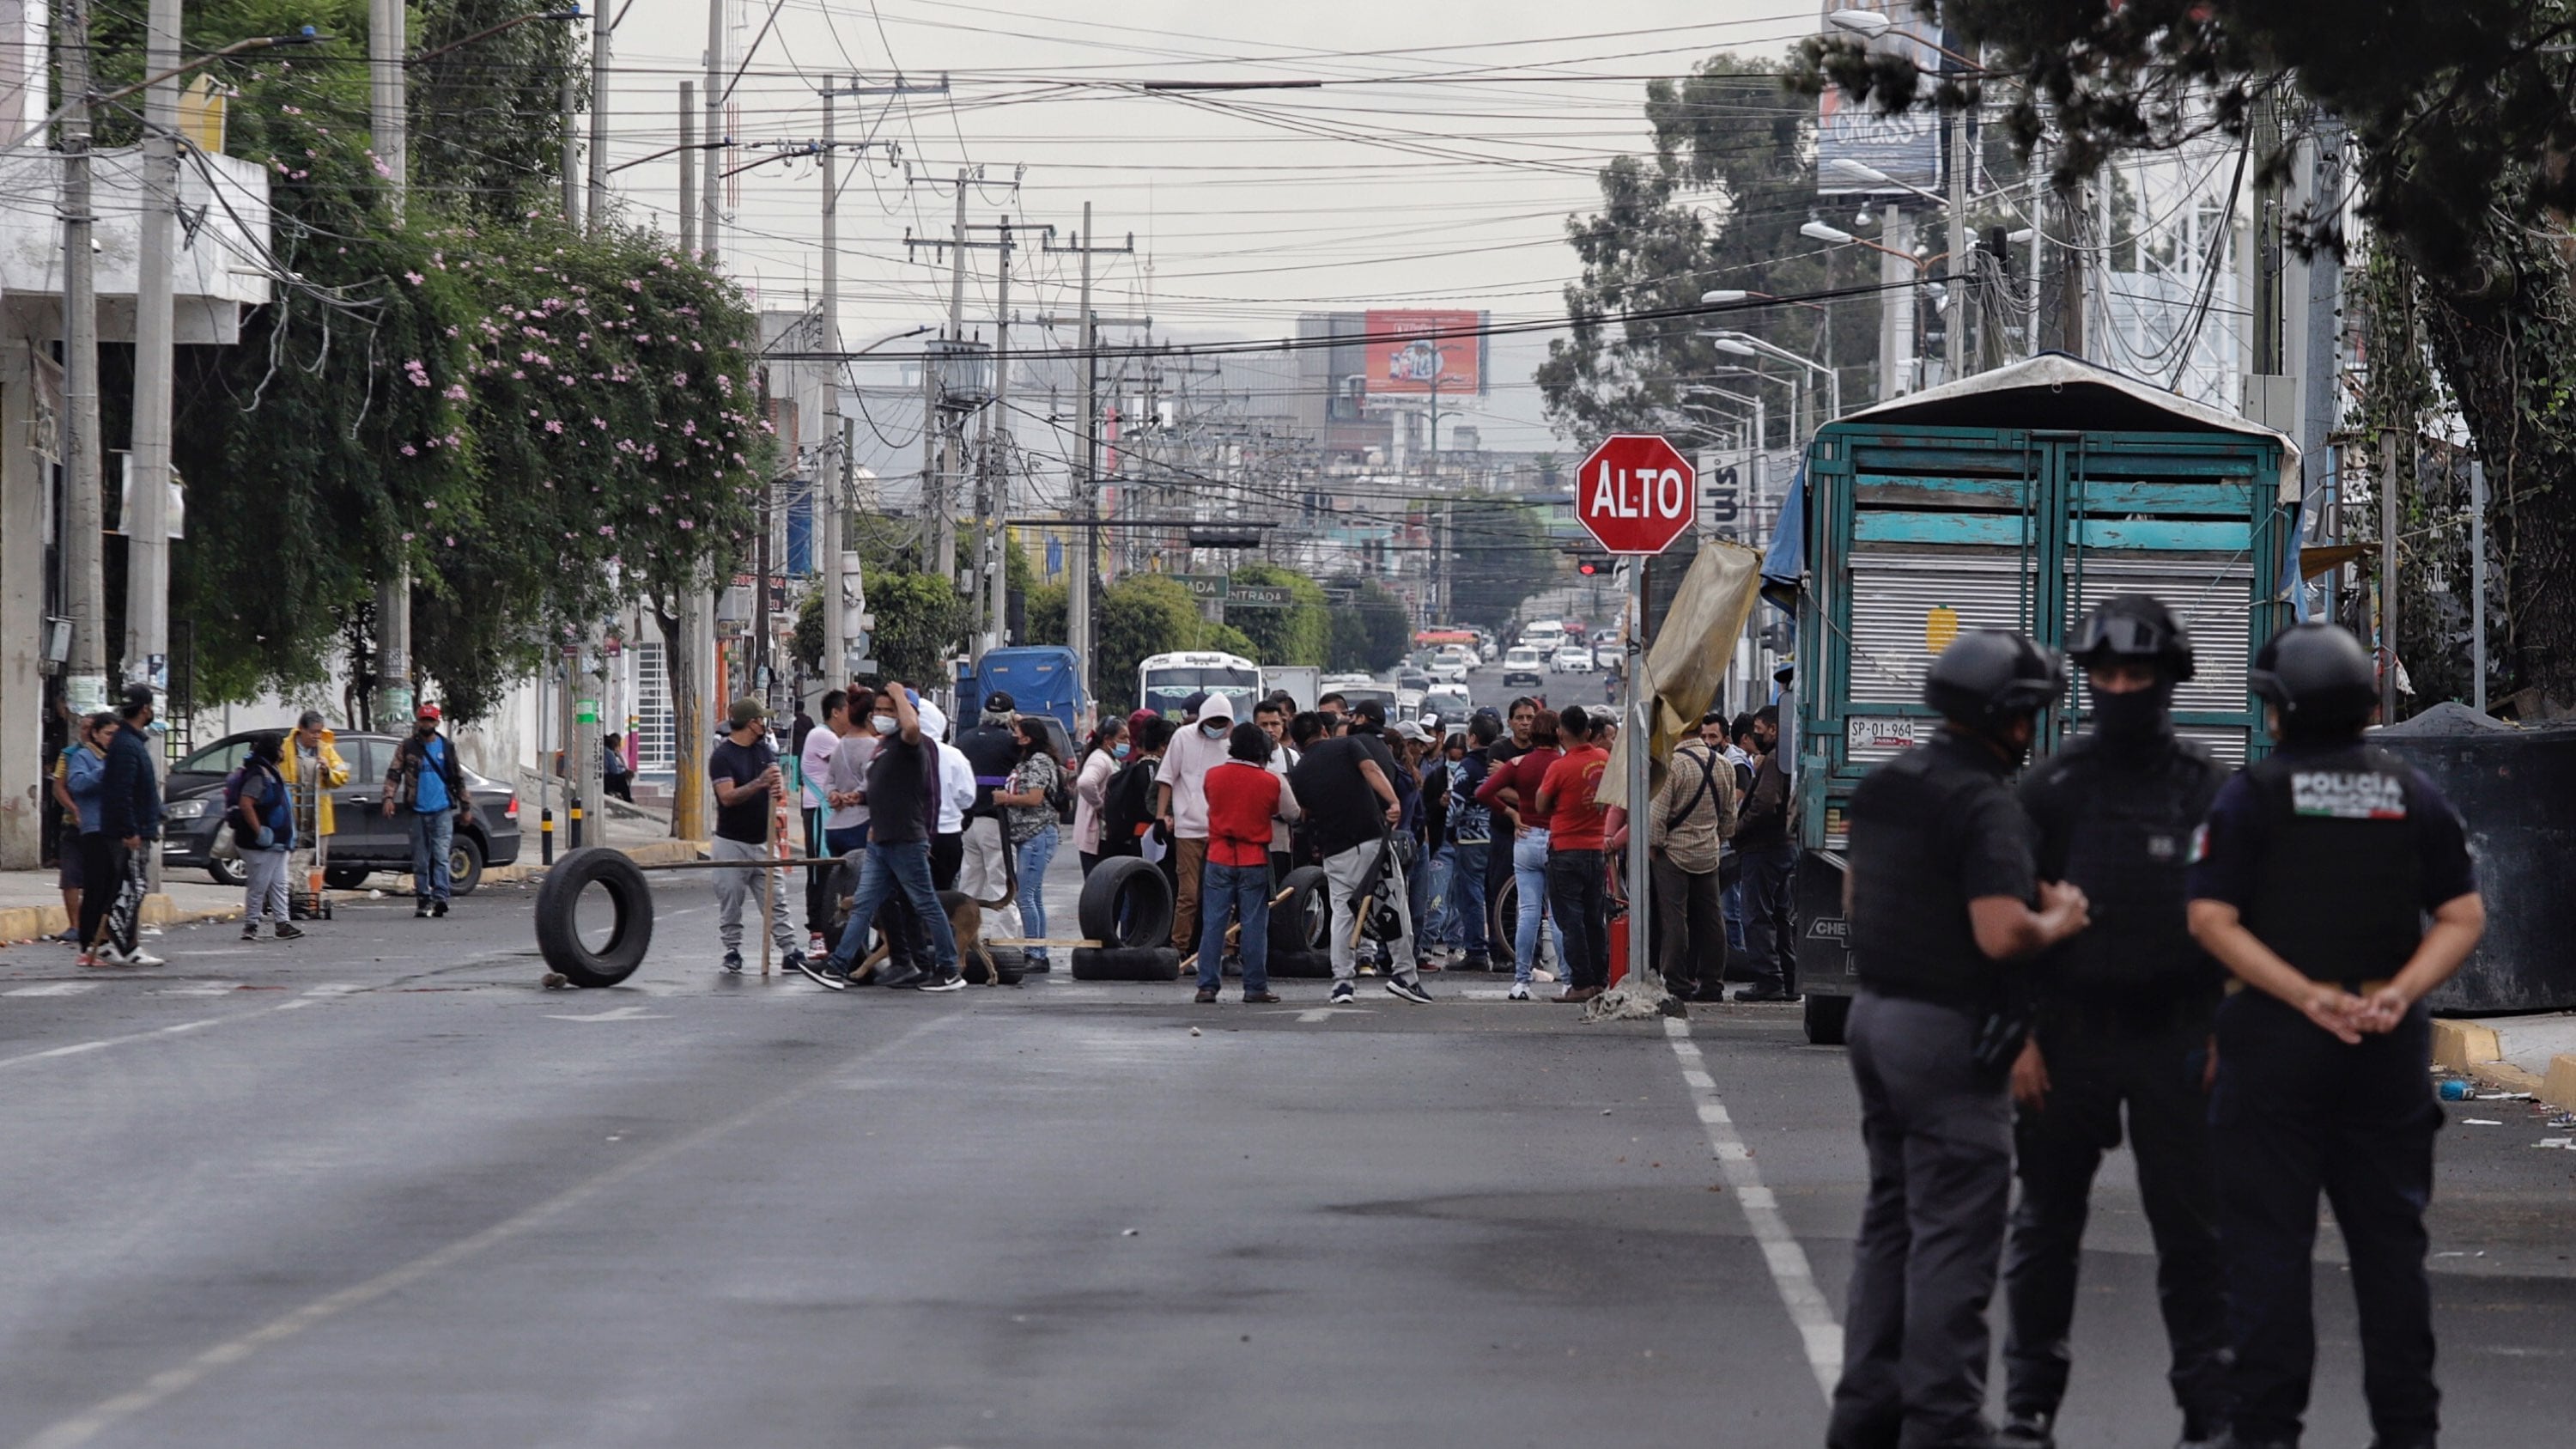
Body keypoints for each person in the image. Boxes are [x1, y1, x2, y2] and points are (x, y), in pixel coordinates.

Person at [2187, 623, 2483, 1449]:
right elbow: (2462, 914)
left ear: (2277, 710)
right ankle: (2407, 1433)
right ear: (2366, 706)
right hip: (2384, 1053)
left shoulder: (2250, 795)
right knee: (2392, 1258)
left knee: (2268, 1257)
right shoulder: (2411, 793)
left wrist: (2305, 996)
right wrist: (2395, 995)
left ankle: (2267, 1433)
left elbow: (2210, 917)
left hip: (2274, 1047)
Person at [1827, 630, 2091, 1449]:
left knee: (1892, 1221)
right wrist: (2063, 917)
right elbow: (2001, 931)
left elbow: (1859, 891)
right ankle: (1942, 1421)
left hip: (1874, 1016)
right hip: (1946, 1031)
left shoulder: (1887, 785)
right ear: (2007, 718)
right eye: (2031, 715)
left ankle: (1865, 1410)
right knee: (1955, 1234)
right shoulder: (1985, 801)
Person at [1995, 598, 2232, 1449]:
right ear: (2086, 680)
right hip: (2066, 1037)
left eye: (2139, 674)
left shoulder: (2207, 787)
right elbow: (2009, 921)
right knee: (2044, 1227)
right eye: (2107, 674)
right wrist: (2018, 1037)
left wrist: (2223, 1036)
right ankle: (2028, 1407)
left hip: (2181, 1034)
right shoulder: (2054, 787)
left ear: (2170, 681)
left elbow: (2243, 919)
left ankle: (2210, 1410)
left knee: (2195, 1234)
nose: (2122, 687)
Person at [1285, 699, 1433, 1006]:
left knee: (1342, 913)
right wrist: (1393, 802)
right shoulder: (1347, 746)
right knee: (1393, 904)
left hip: (1334, 850)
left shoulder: (1298, 772)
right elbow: (1372, 769)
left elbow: (1304, 812)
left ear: (1298, 743)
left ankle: (1342, 982)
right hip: (1370, 840)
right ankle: (1405, 975)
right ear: (1324, 731)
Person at [819, 683, 965, 991]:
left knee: (925, 904)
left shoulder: (911, 743)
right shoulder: (882, 744)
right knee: (863, 905)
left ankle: (950, 969)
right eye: (879, 710)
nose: (883, 715)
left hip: (905, 840)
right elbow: (880, 790)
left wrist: (900, 695)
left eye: (890, 710)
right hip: (880, 840)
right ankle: (837, 966)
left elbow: (912, 727)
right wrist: (859, 804)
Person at [1195, 721, 1299, 1004]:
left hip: (1218, 855)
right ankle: (1254, 987)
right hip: (1254, 856)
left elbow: (1211, 802)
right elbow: (1291, 813)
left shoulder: (1213, 776)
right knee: (1254, 925)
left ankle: (1207, 986)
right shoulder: (1272, 780)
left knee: (1214, 923)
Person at [1635, 720, 1735, 1002]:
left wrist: (1653, 847)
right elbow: (1729, 818)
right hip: (1708, 853)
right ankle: (1712, 983)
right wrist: (1716, 837)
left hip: (1673, 854)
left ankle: (1678, 981)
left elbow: (1656, 817)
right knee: (1712, 920)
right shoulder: (1724, 765)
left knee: (1675, 919)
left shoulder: (1674, 765)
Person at [708, 697, 805, 978]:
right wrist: (759, 783)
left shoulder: (763, 750)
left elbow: (774, 781)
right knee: (731, 899)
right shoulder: (723, 757)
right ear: (751, 723)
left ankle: (789, 951)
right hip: (731, 842)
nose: (764, 724)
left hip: (763, 840)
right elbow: (727, 797)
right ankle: (733, 950)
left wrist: (776, 785)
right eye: (760, 719)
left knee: (776, 899)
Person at [1478, 707, 1562, 1002]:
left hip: (1524, 838)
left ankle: (1521, 980)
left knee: (1527, 911)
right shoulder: (1561, 764)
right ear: (1558, 733)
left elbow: (1483, 793)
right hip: (1555, 839)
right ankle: (1567, 980)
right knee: (1556, 915)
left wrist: (1512, 813)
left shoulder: (1518, 763)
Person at [1534, 705, 1613, 1004]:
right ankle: (1599, 981)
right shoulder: (1604, 759)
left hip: (1566, 850)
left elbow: (1541, 804)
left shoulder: (1560, 767)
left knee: (1571, 921)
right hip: (1596, 850)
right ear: (1589, 731)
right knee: (1595, 918)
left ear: (1560, 732)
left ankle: (1580, 983)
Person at [1156, 691, 1236, 959]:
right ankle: (1179, 950)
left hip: (1221, 829)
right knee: (1188, 895)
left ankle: (1226, 950)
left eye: (1221, 724)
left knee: (1223, 894)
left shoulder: (1230, 744)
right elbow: (1166, 778)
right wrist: (1160, 817)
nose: (1216, 729)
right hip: (1188, 829)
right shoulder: (1183, 737)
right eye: (1212, 723)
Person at [90, 685, 166, 966]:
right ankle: (129, 947)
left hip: (133, 827)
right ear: (145, 709)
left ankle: (112, 944)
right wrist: (130, 830)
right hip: (128, 833)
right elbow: (121, 792)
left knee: (127, 888)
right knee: (131, 890)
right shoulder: (126, 745)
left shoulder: (129, 742)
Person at [990, 717, 1066, 969]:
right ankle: (1037, 949)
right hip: (1028, 834)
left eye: (1018, 732)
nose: (1013, 735)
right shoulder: (1029, 761)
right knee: (1035, 896)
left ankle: (1035, 951)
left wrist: (1007, 798)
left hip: (1037, 832)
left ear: (1028, 738)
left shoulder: (1039, 762)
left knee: (1025, 895)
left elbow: (1034, 798)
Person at [1735, 703, 1798, 1002]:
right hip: (1782, 846)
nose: (1755, 736)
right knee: (1780, 915)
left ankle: (1769, 980)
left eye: (1759, 731)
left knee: (1757, 915)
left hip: (1764, 848)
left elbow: (1764, 804)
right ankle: (1788, 978)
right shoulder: (1785, 757)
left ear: (1773, 730)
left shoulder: (1774, 760)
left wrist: (1737, 828)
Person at [383, 703, 466, 919]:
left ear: (437, 722)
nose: (426, 724)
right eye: (423, 720)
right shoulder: (408, 747)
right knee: (420, 859)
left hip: (442, 810)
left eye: (430, 720)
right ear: (418, 722)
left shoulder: (446, 747)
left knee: (441, 856)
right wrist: (388, 797)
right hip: (417, 811)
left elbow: (457, 778)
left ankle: (440, 897)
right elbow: (394, 773)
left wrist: (466, 806)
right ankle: (423, 898)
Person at [228, 734, 302, 942]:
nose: (283, 752)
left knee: (279, 883)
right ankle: (250, 925)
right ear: (273, 750)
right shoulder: (258, 774)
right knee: (259, 883)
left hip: (276, 841)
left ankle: (283, 924)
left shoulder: (269, 771)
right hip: (262, 842)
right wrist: (259, 831)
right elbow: (246, 803)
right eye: (280, 747)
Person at [955, 691, 1022, 903]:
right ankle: (1007, 935)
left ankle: (960, 931)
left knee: (969, 882)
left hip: (966, 821)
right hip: (996, 820)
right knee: (1002, 884)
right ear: (1011, 716)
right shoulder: (1012, 743)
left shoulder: (963, 739)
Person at [52, 714, 112, 947]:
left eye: (91, 728)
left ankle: (97, 928)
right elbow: (61, 787)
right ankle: (75, 925)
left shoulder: (110, 757)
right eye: (84, 728)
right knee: (71, 876)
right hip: (74, 824)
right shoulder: (70, 755)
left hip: (99, 826)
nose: (87, 732)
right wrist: (75, 809)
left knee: (96, 879)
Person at [798, 691, 847, 955]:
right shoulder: (822, 736)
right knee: (820, 873)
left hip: (831, 811)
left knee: (835, 874)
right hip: (819, 812)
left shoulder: (833, 737)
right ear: (836, 712)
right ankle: (816, 932)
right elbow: (848, 764)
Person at [280, 711, 350, 886]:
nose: (317, 736)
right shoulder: (284, 748)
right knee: (290, 861)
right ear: (301, 729)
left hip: (319, 819)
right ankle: (290, 897)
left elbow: (342, 776)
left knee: (317, 862)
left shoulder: (326, 749)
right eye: (313, 732)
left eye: (320, 731)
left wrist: (328, 771)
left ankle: (312, 899)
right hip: (291, 816)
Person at [1100, 716, 1168, 861]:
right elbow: (1150, 802)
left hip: (1139, 835)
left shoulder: (1138, 765)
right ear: (1163, 746)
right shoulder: (1150, 767)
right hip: (1148, 835)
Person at [1072, 717, 1128, 876]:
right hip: (1098, 837)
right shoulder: (1100, 759)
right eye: (1123, 737)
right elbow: (1085, 783)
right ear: (1107, 740)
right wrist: (1100, 806)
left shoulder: (1109, 758)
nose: (1127, 742)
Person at [1253, 698, 1299, 880]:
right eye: (1264, 724)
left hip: (1283, 843)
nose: (1270, 730)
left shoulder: (1293, 758)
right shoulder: (1245, 757)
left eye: (1275, 724)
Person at [602, 733, 635, 802]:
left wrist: (618, 754)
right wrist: (623, 771)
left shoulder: (606, 750)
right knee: (623, 779)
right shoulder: (609, 752)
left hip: (605, 776)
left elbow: (622, 764)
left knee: (625, 776)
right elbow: (614, 770)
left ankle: (626, 798)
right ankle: (628, 800)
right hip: (606, 778)